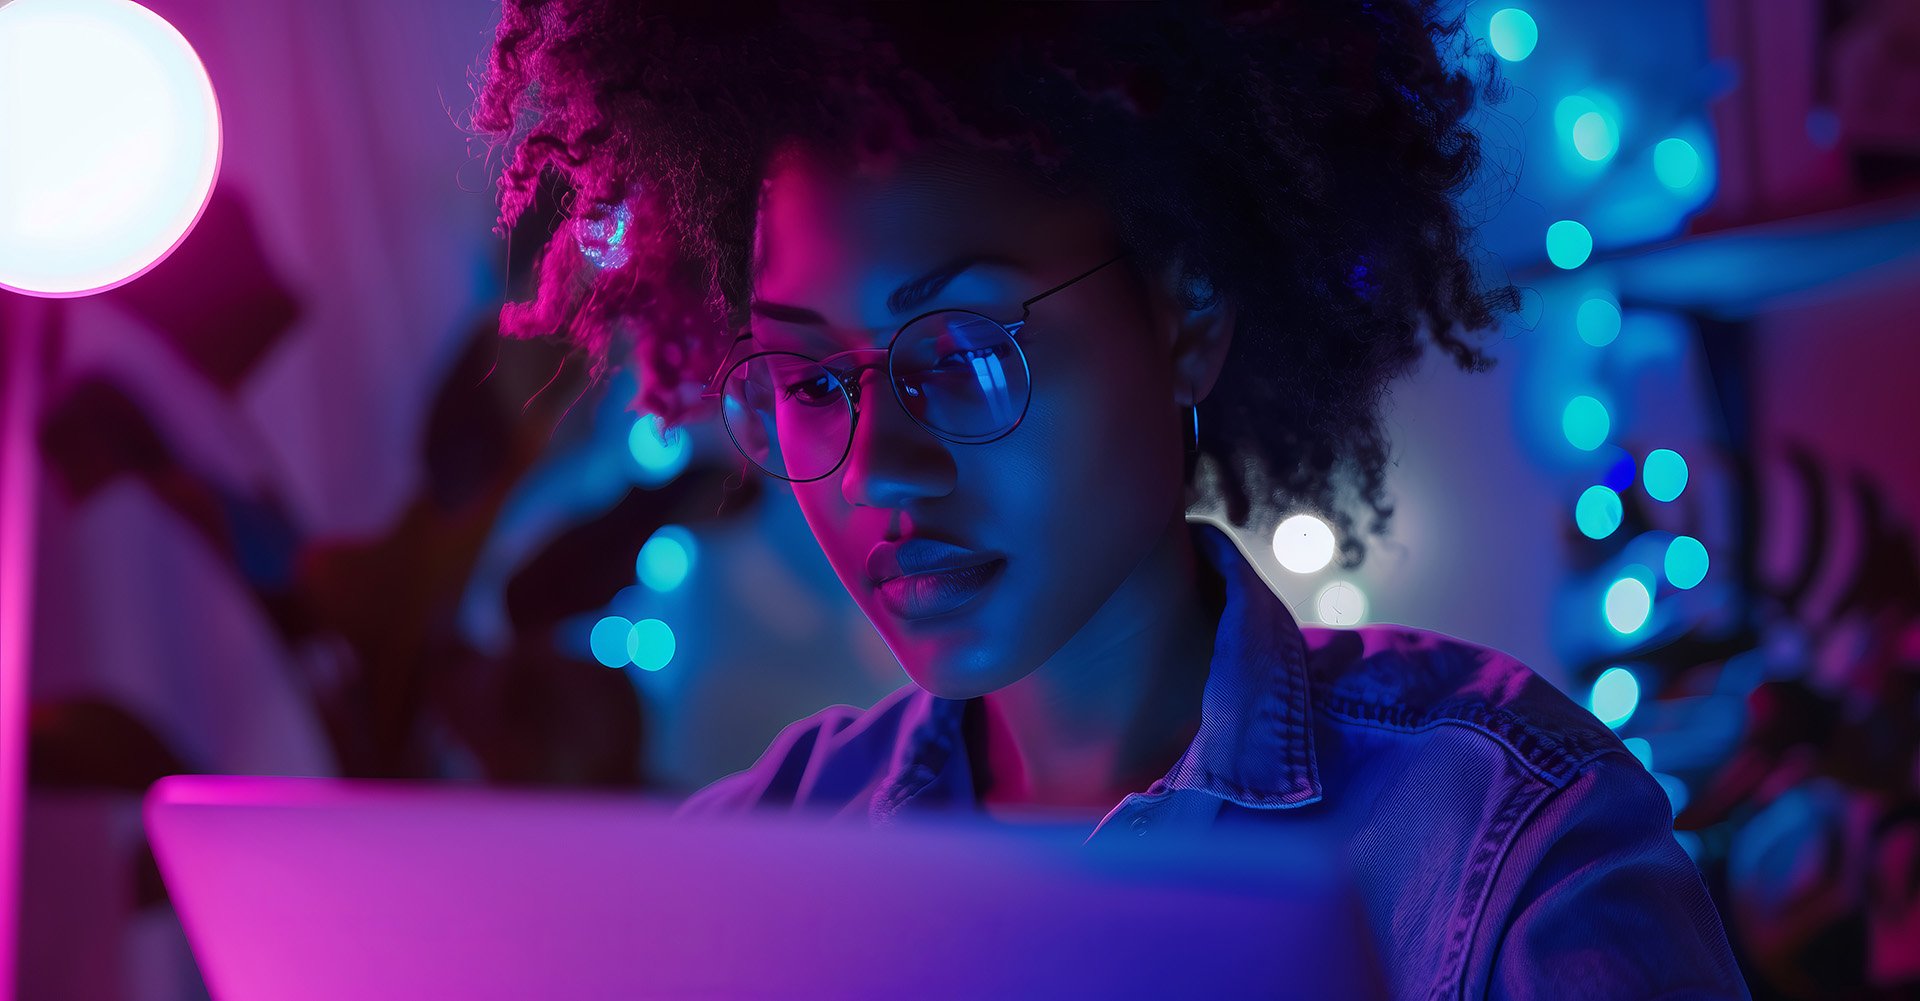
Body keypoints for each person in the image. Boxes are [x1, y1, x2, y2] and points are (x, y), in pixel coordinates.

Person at [471, 2, 1752, 995]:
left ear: (1187, 315)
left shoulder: (1499, 839)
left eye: (969, 355)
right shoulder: (746, 866)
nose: (876, 466)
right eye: (809, 378)